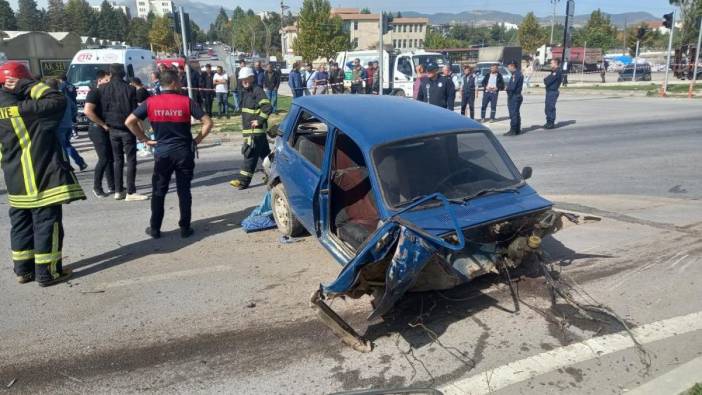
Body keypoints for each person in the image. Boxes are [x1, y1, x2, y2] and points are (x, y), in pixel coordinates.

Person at [0, 62, 85, 286]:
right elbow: (58, 100)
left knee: (21, 224)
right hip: (41, 177)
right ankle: (48, 273)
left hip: (14, 180)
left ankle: (23, 271)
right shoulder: (30, 109)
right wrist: (29, 85)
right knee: (47, 224)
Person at [125, 70, 213, 239]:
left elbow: (129, 121)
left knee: (159, 190)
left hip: (162, 152)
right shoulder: (186, 101)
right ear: (173, 82)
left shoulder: (151, 102)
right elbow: (208, 122)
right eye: (179, 81)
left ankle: (155, 228)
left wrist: (144, 139)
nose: (181, 84)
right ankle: (185, 228)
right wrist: (196, 141)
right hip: (183, 152)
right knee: (184, 191)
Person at [84, 63, 148, 201]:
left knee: (117, 160)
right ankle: (130, 191)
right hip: (126, 128)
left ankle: (118, 190)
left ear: (111, 74)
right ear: (123, 74)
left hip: (111, 129)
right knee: (130, 160)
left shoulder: (102, 89)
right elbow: (136, 110)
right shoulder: (130, 89)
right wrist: (141, 132)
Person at [229, 67, 273, 190]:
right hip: (252, 131)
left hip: (255, 132)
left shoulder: (257, 90)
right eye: (243, 79)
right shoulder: (246, 92)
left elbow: (267, 107)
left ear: (252, 78)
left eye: (247, 79)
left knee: (250, 155)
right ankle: (274, 175)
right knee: (266, 156)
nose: (244, 81)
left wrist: (259, 121)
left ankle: (243, 182)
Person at [87, 70, 115, 197]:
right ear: (100, 80)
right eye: (107, 80)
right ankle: (96, 187)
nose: (109, 83)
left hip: (106, 128)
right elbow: (88, 111)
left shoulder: (106, 93)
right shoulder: (94, 92)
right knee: (103, 159)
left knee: (109, 158)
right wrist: (102, 124)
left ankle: (112, 185)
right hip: (97, 129)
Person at [504, 61, 524, 136]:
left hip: (514, 96)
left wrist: (507, 88)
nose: (508, 68)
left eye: (509, 67)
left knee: (513, 114)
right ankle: (517, 129)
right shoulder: (517, 74)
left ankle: (513, 130)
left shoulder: (516, 75)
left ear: (512, 66)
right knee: (516, 113)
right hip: (516, 96)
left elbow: (512, 87)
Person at [543, 58, 563, 129]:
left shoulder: (557, 72)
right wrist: (546, 79)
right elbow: (545, 80)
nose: (550, 65)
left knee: (550, 108)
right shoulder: (553, 71)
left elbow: (547, 81)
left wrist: (546, 80)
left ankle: (551, 123)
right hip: (549, 92)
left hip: (553, 92)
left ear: (555, 63)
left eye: (551, 63)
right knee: (547, 108)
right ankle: (548, 122)